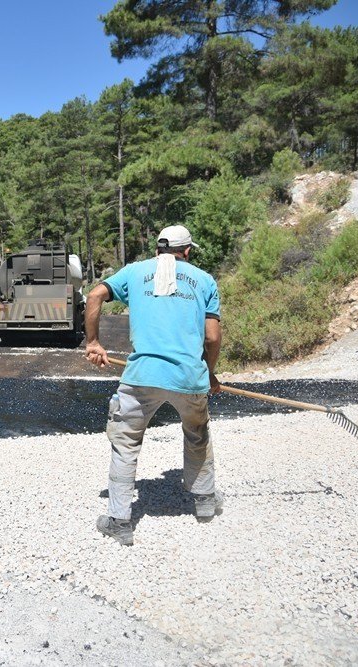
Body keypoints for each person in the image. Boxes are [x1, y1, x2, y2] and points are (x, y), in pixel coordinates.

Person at [84, 224, 223, 547]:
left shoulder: (135, 272)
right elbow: (212, 336)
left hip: (141, 376)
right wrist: (209, 374)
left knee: (125, 442)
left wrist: (93, 342)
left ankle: (119, 521)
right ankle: (204, 502)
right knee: (197, 434)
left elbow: (94, 295)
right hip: (189, 377)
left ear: (157, 250)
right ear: (187, 251)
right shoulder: (204, 280)